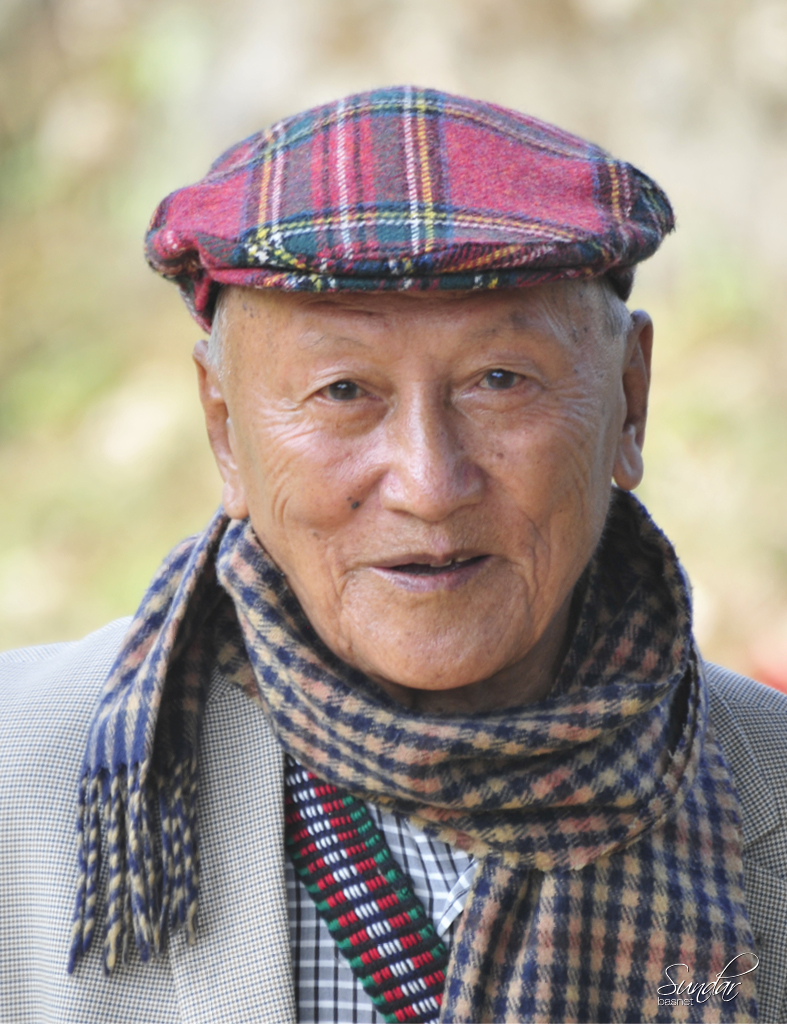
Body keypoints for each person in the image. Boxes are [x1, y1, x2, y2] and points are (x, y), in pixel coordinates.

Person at [0, 86, 785, 1024]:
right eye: (343, 391)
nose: (428, 483)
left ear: (630, 396)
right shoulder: (20, 772)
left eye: (499, 380)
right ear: (223, 427)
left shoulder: (768, 786)